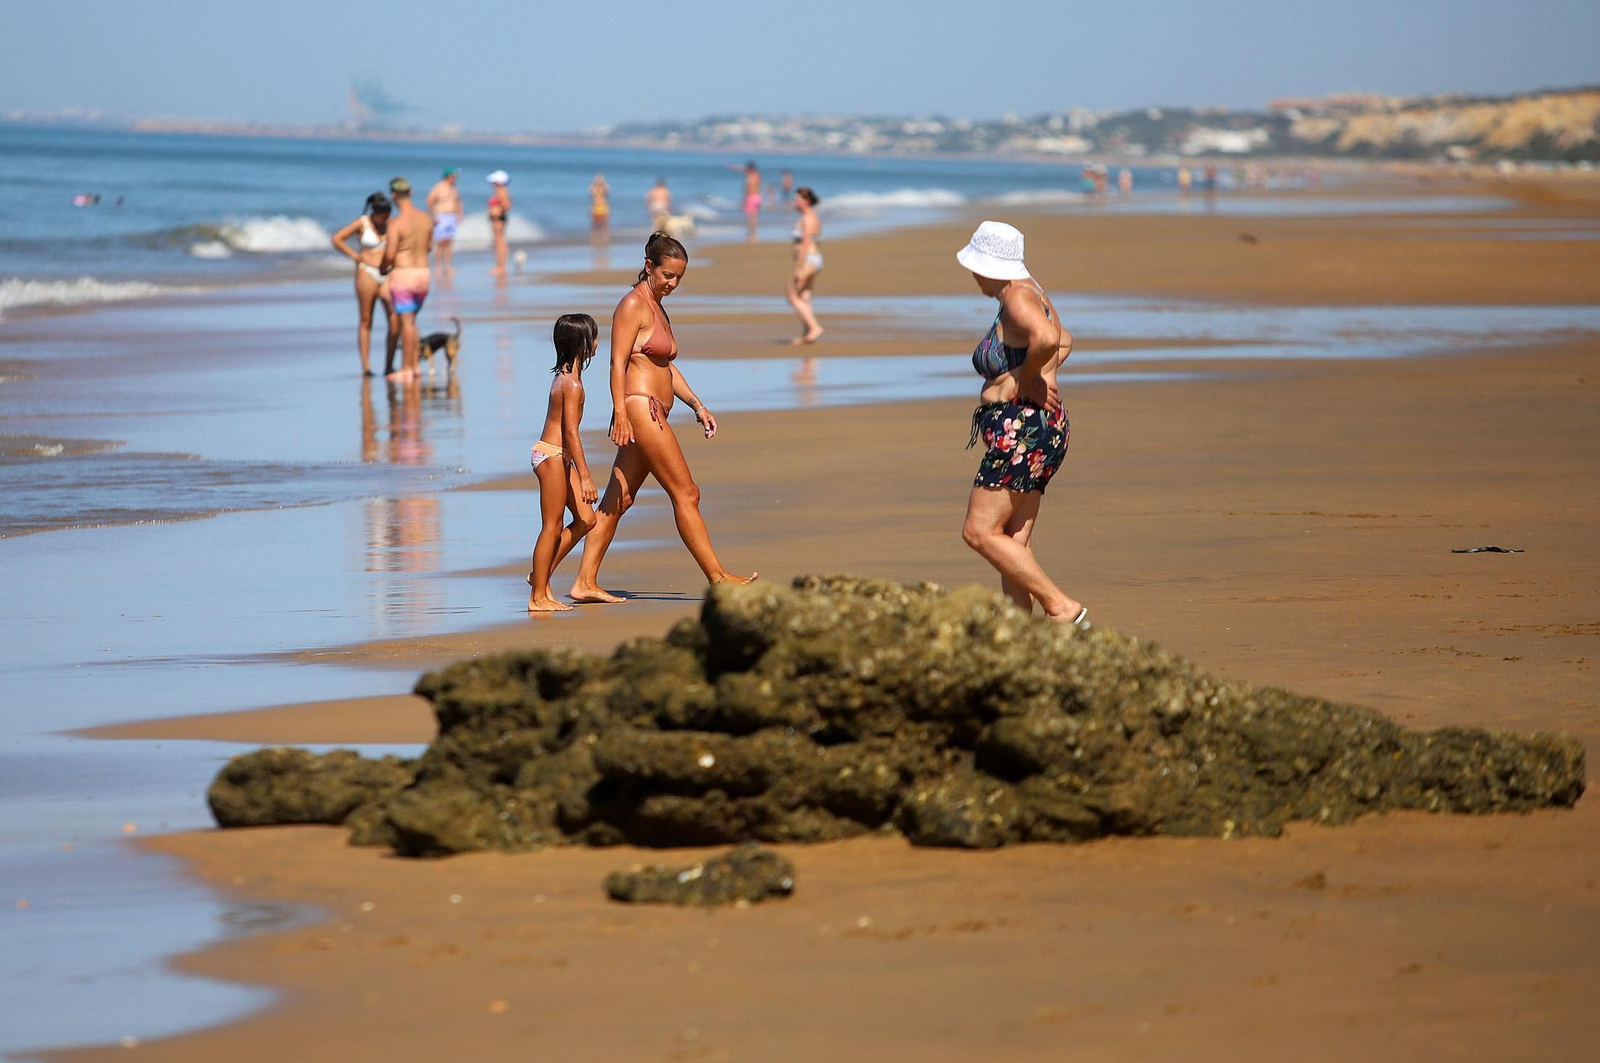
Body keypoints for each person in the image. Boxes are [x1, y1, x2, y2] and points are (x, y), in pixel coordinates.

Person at [568, 232, 758, 603]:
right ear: (648, 266)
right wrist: (620, 413)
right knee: (687, 492)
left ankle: (584, 582)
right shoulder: (632, 305)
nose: (672, 284)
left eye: (679, 278)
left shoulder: (657, 305)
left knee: (618, 500)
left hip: (653, 409)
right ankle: (717, 577)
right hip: (641, 409)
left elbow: (666, 366)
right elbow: (616, 363)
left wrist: (698, 406)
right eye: (667, 275)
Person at [955, 221, 1087, 626]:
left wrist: (1027, 379)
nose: (973, 275)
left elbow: (1048, 338)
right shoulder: (1033, 291)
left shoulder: (1017, 297)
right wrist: (1025, 376)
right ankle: (1018, 631)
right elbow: (1065, 339)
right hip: (1044, 428)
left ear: (989, 265)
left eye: (975, 267)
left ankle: (1061, 607)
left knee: (979, 532)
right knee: (1012, 541)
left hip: (1023, 431)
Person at [527, 314, 601, 612]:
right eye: (594, 337)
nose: (597, 342)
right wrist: (585, 477)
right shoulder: (571, 383)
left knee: (586, 519)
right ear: (582, 343)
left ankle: (539, 576)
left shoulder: (569, 377)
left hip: (560, 456)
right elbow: (571, 433)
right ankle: (537, 597)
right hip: (552, 455)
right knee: (552, 526)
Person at [330, 192, 399, 377]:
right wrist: (355, 256)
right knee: (366, 320)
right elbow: (337, 238)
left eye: (386, 217)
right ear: (375, 213)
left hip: (387, 273)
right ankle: (366, 367)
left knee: (394, 317)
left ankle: (389, 364)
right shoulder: (363, 222)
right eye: (381, 217)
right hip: (366, 272)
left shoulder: (392, 224)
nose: (383, 220)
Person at [379, 176, 433, 382]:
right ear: (410, 193)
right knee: (412, 322)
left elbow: (390, 254)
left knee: (407, 323)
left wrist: (385, 268)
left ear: (393, 196)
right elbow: (428, 247)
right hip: (423, 274)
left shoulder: (396, 223)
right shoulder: (425, 218)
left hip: (404, 275)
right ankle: (414, 366)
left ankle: (407, 368)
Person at [786, 186, 824, 345]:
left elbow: (805, 242)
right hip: (813, 259)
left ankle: (815, 327)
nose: (795, 202)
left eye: (797, 200)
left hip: (808, 259)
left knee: (792, 296)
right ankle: (808, 334)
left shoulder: (808, 218)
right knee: (804, 296)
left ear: (806, 201)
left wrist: (798, 268)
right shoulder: (809, 216)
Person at [426, 167, 463, 277]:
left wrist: (460, 213)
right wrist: (433, 215)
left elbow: (458, 201)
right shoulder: (439, 187)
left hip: (451, 217)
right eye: (453, 176)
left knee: (449, 243)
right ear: (448, 176)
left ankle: (448, 267)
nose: (455, 178)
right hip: (441, 216)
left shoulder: (454, 188)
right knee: (440, 243)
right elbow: (429, 200)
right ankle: (437, 267)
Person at [486, 170, 512, 275]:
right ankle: (499, 266)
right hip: (498, 220)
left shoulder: (502, 190)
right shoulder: (500, 190)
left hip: (499, 220)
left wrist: (498, 215)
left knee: (499, 243)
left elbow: (507, 204)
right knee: (498, 242)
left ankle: (500, 267)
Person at [741, 161, 762, 242]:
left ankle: (751, 234)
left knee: (750, 217)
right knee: (754, 217)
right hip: (757, 197)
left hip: (750, 197)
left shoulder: (750, 177)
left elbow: (747, 189)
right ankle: (754, 234)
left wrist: (744, 200)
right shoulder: (757, 176)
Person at [589, 173, 611, 244]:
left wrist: (603, 182)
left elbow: (608, 189)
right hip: (595, 208)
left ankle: (605, 240)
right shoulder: (594, 188)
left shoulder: (604, 188)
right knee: (595, 225)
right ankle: (595, 240)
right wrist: (595, 182)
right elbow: (590, 191)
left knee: (604, 225)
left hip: (603, 207)